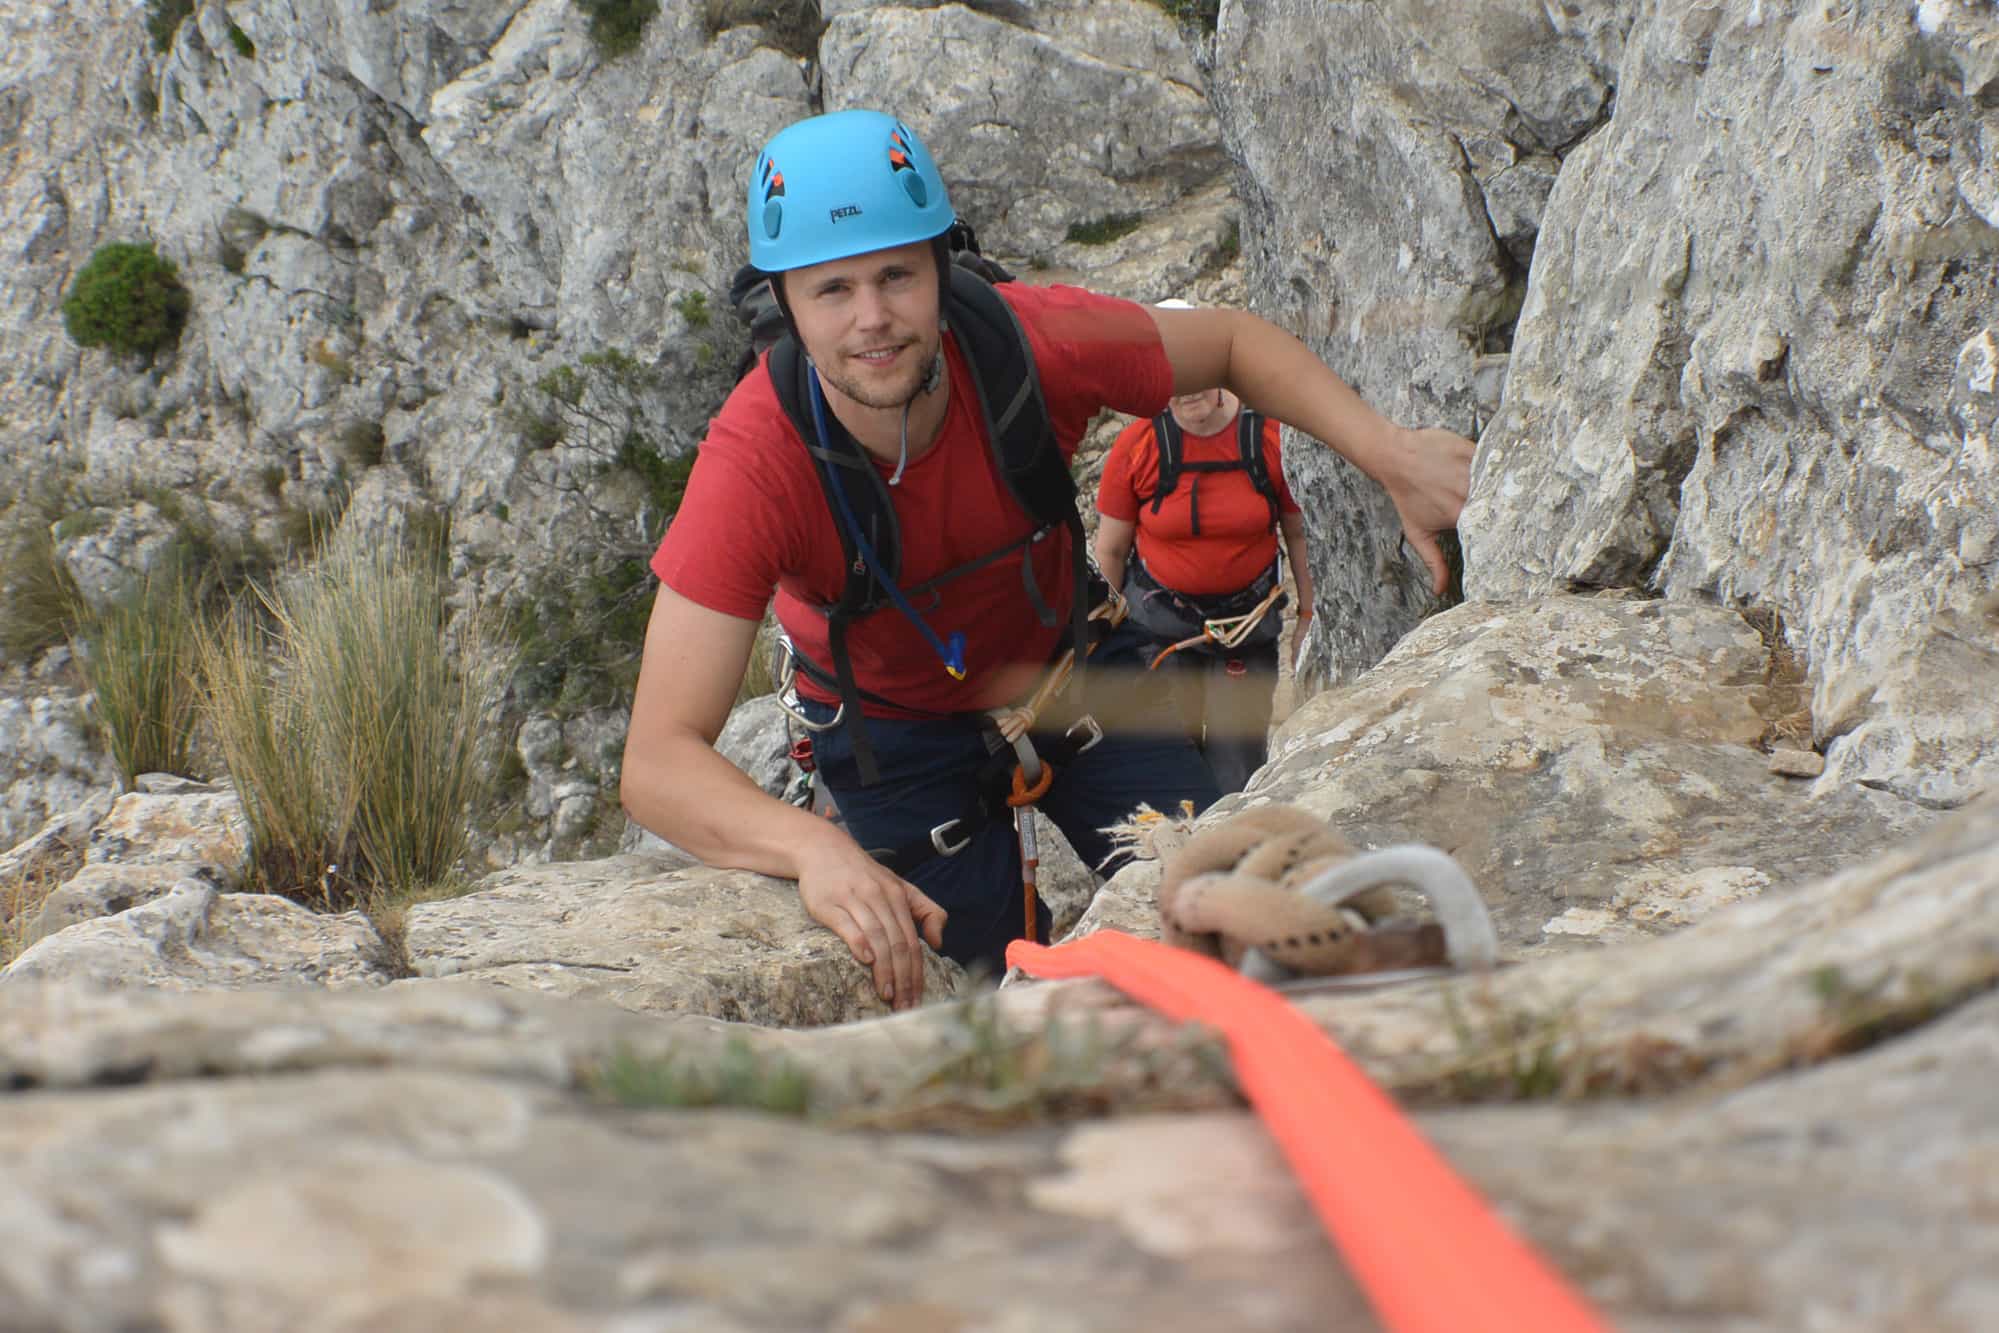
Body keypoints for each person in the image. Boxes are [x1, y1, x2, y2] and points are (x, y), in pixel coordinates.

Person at [620, 108, 1473, 1011]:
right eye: (832, 289)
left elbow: (1226, 342)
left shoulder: (1024, 345)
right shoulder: (757, 462)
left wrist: (1389, 453)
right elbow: (657, 760)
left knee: (1226, 901)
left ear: (941, 268)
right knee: (978, 1003)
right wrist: (811, 848)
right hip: (895, 740)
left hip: (1071, 674)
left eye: (897, 275)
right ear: (781, 302)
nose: (873, 318)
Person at [1093, 302, 1312, 793]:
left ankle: (1232, 859)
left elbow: (1298, 534)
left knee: (1238, 769)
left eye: (1193, 366)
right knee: (1171, 765)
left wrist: (1307, 618)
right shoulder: (1138, 446)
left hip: (1245, 632)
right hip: (1159, 631)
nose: (1185, 386)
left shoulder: (1269, 439)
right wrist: (1104, 640)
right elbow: (1110, 550)